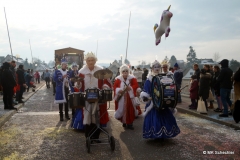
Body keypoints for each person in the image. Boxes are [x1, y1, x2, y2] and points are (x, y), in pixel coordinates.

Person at [72, 52, 112, 138]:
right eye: (88, 60)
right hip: (86, 97)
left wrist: (105, 87)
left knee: (97, 116)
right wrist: (78, 83)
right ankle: (88, 136)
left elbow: (105, 82)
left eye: (92, 60)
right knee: (87, 115)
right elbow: (78, 86)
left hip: (98, 97)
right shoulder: (82, 72)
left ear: (95, 61)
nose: (90, 62)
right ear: (86, 61)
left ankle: (96, 137)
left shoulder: (100, 71)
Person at [141, 60, 180, 139]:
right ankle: (156, 135)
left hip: (163, 102)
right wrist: (146, 97)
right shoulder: (150, 79)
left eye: (158, 67)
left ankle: (164, 134)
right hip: (153, 103)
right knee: (155, 118)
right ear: (152, 68)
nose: (157, 69)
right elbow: (146, 91)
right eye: (155, 67)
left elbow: (169, 87)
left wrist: (174, 91)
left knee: (165, 116)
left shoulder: (165, 78)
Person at [114, 64, 139, 130]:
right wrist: (119, 90)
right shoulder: (118, 79)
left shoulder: (132, 78)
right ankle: (124, 122)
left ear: (128, 71)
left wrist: (130, 87)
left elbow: (136, 85)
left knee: (130, 109)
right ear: (121, 72)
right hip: (122, 97)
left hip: (130, 97)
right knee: (122, 109)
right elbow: (115, 87)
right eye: (123, 71)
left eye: (126, 71)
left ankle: (130, 123)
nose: (125, 73)